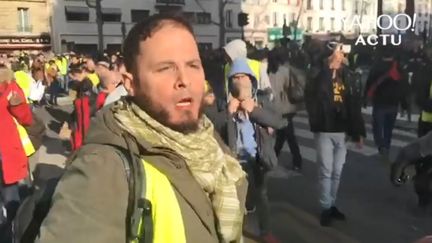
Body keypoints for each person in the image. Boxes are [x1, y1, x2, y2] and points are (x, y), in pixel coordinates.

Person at [37, 14, 248, 243]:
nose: (184, 79)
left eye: (193, 65)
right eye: (165, 68)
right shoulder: (103, 169)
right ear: (130, 83)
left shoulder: (207, 138)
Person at [222, 58, 285, 243]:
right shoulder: (224, 104)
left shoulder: (261, 101)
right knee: (236, 202)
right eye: (236, 77)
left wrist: (256, 111)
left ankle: (265, 233)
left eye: (244, 76)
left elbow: (279, 122)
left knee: (261, 196)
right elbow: (216, 128)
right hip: (235, 160)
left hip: (257, 158)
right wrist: (229, 114)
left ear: (252, 79)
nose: (240, 81)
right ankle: (236, 236)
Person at [305, 42, 365, 227]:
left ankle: (332, 204)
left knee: (337, 172)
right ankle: (325, 208)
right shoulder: (317, 73)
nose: (341, 55)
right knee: (326, 171)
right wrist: (328, 68)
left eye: (342, 52)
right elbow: (313, 96)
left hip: (343, 130)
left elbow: (354, 104)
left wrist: (358, 132)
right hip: (324, 129)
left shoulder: (349, 74)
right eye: (338, 52)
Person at [0, 65, 33, 236]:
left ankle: (14, 233)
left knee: (11, 196)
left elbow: (27, 118)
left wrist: (17, 105)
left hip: (5, 152)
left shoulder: (10, 87)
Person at [365, 47, 409, 158]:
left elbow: (369, 84)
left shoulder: (376, 67)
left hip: (379, 102)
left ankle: (381, 145)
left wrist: (365, 99)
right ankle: (387, 145)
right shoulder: (399, 69)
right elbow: (404, 88)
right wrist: (404, 104)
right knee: (389, 127)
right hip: (393, 103)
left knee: (377, 126)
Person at [268, 48, 304, 171]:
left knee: (283, 135)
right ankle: (297, 161)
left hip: (273, 107)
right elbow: (291, 87)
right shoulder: (285, 71)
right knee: (288, 136)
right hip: (287, 108)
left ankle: (273, 157)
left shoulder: (267, 71)